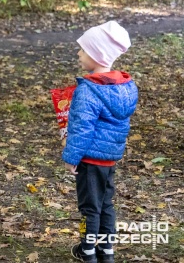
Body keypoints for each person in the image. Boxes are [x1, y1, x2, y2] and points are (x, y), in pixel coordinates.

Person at [62, 21, 138, 263]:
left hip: (90, 159)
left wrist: (71, 158)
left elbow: (82, 129)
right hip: (109, 158)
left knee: (88, 209)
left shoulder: (88, 90)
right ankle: (106, 250)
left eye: (83, 50)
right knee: (106, 205)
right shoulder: (125, 87)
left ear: (96, 55)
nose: (79, 54)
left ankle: (87, 250)